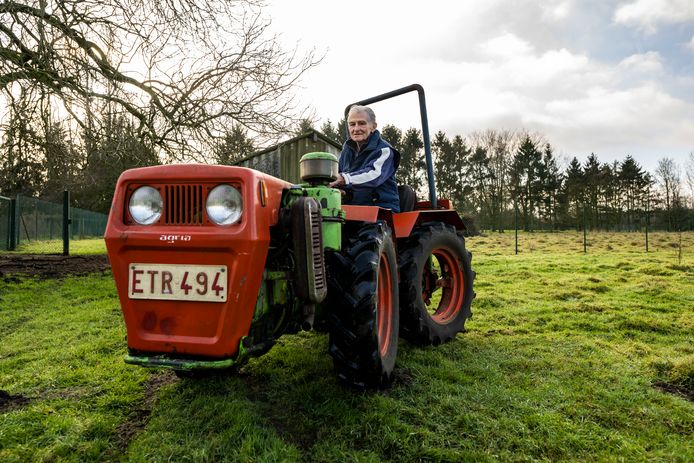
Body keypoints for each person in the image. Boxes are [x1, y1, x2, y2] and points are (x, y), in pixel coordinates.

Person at [329, 105, 401, 212]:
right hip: (353, 211)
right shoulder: (347, 150)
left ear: (373, 126)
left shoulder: (384, 150)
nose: (356, 129)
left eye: (362, 123)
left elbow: (373, 175)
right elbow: (338, 176)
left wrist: (343, 179)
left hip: (380, 212)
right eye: (352, 124)